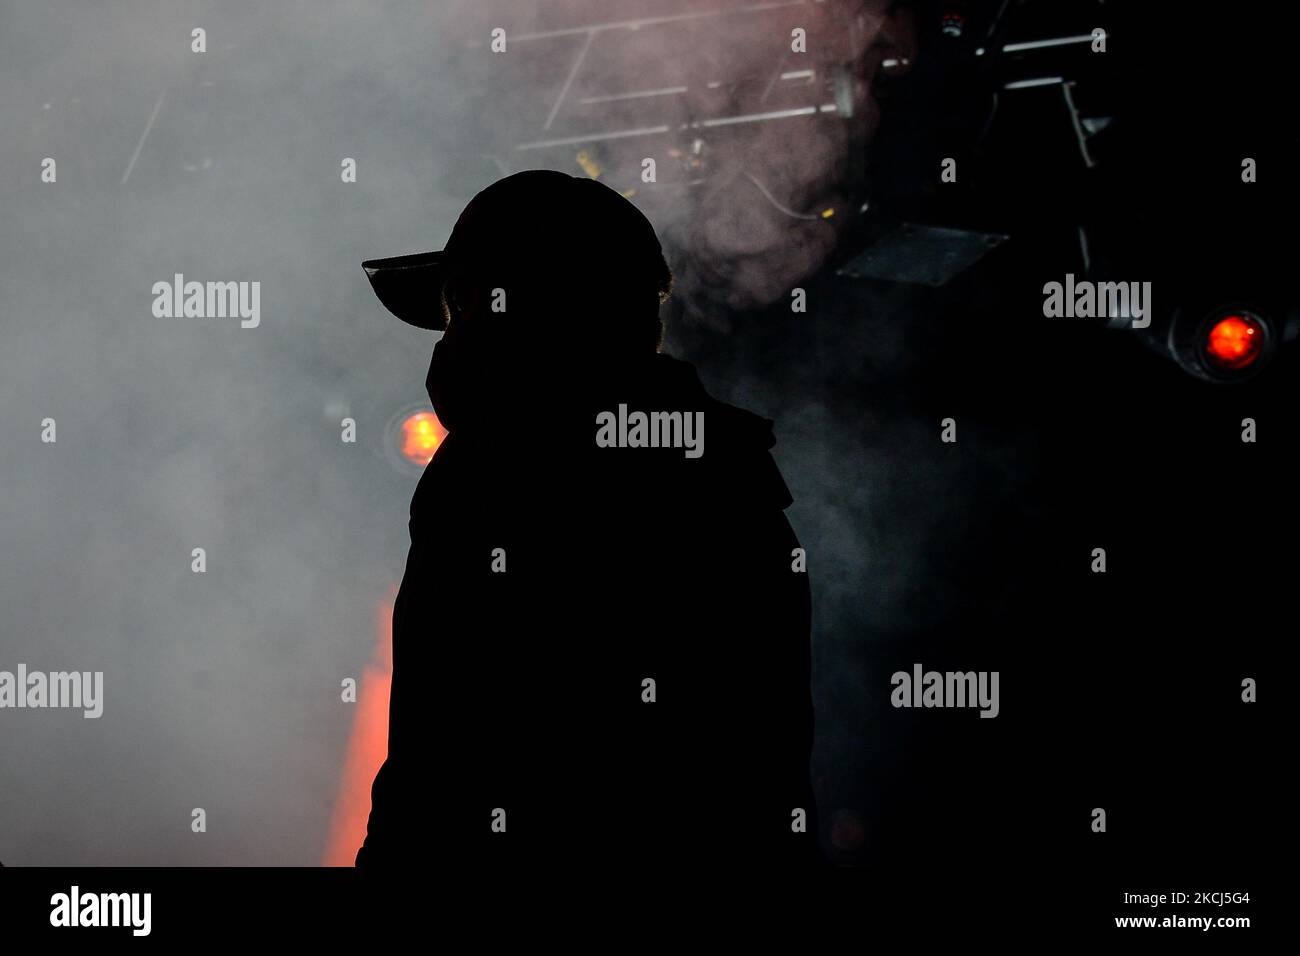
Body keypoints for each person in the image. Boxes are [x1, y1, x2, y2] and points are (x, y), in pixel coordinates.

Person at [355, 169, 820, 868]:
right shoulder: (730, 469)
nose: (452, 334)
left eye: (460, 307)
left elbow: (443, 754)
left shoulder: (497, 463)